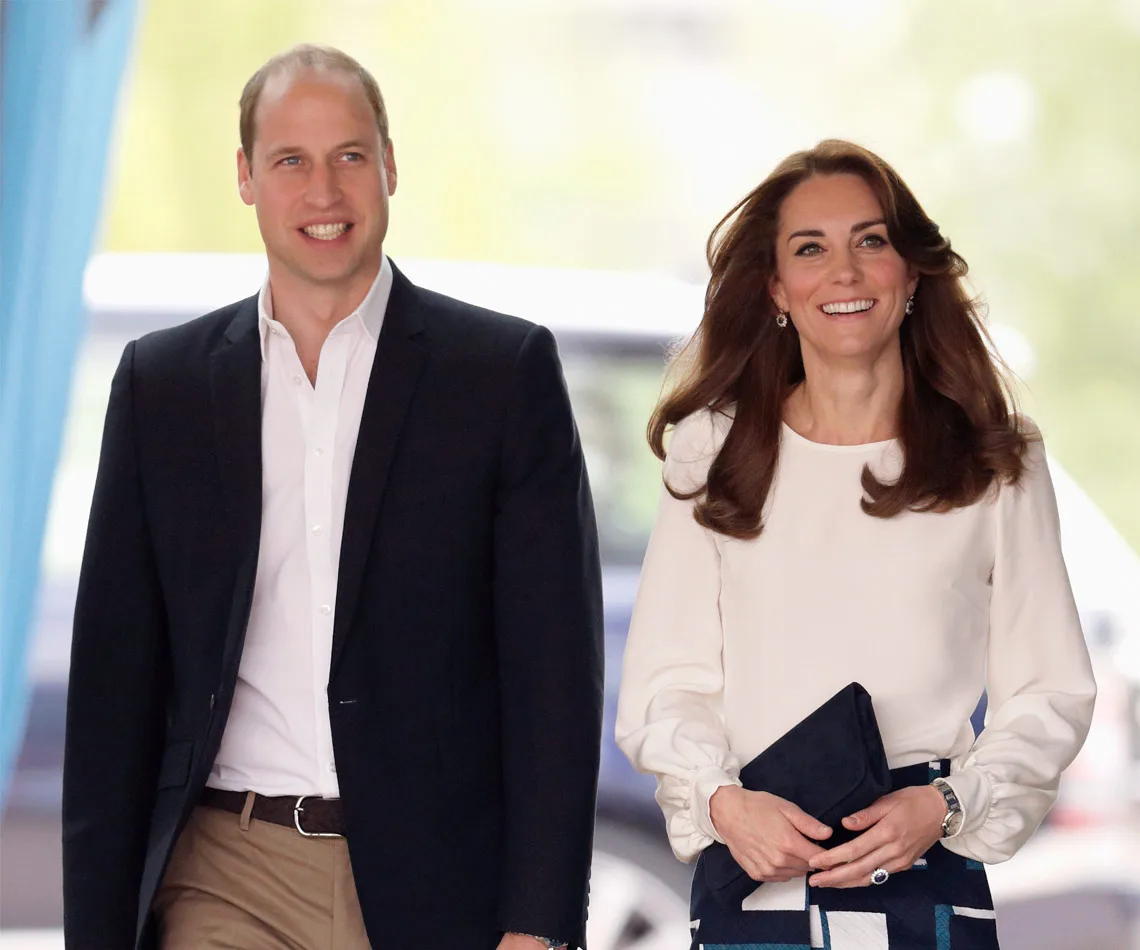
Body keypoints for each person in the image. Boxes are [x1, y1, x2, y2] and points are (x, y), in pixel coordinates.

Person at [62, 44, 603, 950]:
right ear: (245, 177)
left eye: (349, 155)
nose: (324, 191)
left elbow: (555, 677)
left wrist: (539, 924)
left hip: (440, 882)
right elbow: (115, 685)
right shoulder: (162, 387)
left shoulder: (501, 376)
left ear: (390, 165)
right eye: (290, 161)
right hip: (226, 871)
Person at [615, 139, 1096, 948]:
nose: (843, 271)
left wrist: (947, 806)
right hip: (755, 862)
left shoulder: (994, 458)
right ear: (776, 287)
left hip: (924, 866)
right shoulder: (713, 450)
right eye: (811, 248)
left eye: (870, 242)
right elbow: (666, 686)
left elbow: (1051, 691)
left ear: (910, 275)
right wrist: (723, 804)